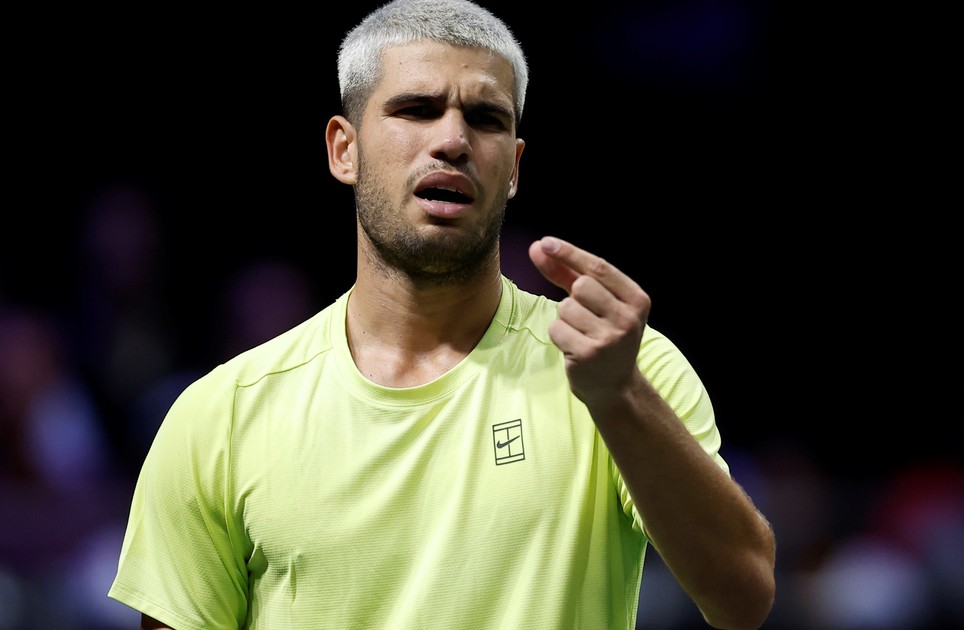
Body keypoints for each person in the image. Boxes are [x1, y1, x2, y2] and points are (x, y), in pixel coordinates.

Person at [106, 1, 777, 628]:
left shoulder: (626, 370)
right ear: (344, 149)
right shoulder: (220, 415)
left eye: (486, 119)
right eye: (417, 109)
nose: (453, 139)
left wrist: (620, 398)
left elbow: (743, 598)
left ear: (513, 169)